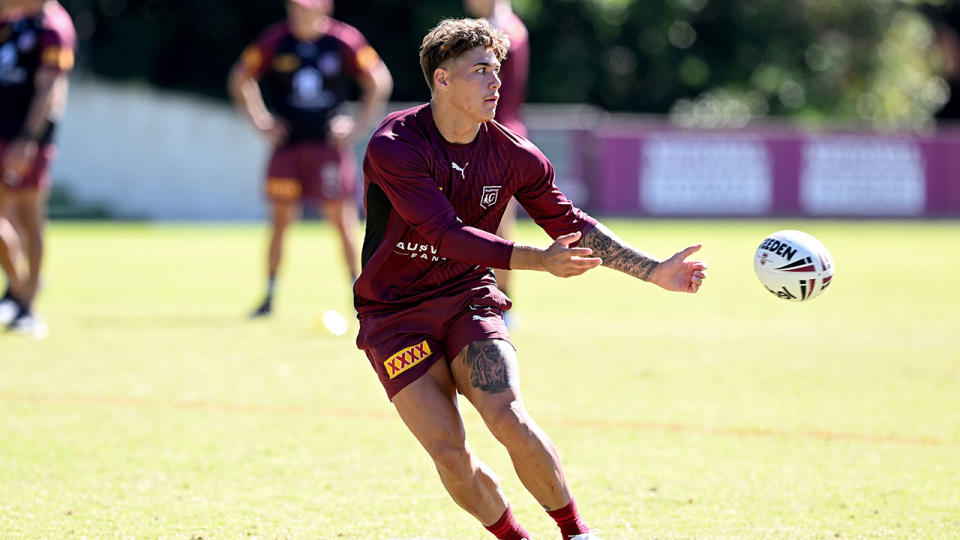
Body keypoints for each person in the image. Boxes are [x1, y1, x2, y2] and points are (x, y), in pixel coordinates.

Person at [354, 18, 707, 539]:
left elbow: (571, 224)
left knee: (509, 416)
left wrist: (654, 271)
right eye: (480, 71)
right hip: (394, 314)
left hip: (466, 298)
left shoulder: (515, 155)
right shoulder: (396, 145)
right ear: (442, 80)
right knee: (450, 454)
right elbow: (444, 233)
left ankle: (576, 532)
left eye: (497, 71)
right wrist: (539, 260)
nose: (496, 83)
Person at [228, 0, 392, 318]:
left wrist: (357, 124)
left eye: (306, 7)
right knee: (279, 221)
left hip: (327, 148)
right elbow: (239, 77)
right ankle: (270, 296)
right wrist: (261, 120)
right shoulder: (275, 40)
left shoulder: (344, 40)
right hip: (288, 147)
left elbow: (379, 80)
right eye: (295, 7)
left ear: (323, 10)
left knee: (342, 221)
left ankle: (361, 295)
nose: (299, 13)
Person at [0, 0, 75, 337]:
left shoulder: (53, 27)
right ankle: (18, 289)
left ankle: (27, 304)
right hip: (3, 132)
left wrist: (29, 139)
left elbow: (51, 88)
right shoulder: (14, 20)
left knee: (30, 218)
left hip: (26, 139)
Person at [463, 0, 529, 308]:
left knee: (497, 223)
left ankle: (502, 302)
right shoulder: (499, 26)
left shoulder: (505, 29)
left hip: (496, 138)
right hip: (483, 135)